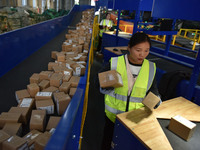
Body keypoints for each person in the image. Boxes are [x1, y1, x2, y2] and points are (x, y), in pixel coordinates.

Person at [98, 32, 162, 150]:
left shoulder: (151, 67)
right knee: (108, 141)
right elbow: (101, 82)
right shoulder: (115, 63)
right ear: (129, 47)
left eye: (146, 51)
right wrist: (107, 86)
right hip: (113, 116)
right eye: (138, 50)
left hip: (135, 118)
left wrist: (156, 99)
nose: (142, 54)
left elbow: (152, 89)